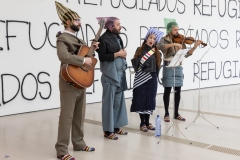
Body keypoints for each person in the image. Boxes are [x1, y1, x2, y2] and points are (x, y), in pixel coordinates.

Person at [54, 2, 99, 160]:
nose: (80, 22)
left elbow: (86, 57)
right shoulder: (62, 38)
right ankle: (61, 150)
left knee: (80, 114)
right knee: (66, 116)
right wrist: (82, 61)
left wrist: (92, 48)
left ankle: (79, 143)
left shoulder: (78, 39)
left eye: (80, 19)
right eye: (77, 20)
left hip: (80, 80)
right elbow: (63, 56)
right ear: (68, 22)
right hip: (68, 82)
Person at [157, 18, 202, 122]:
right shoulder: (164, 39)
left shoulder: (181, 40)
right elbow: (159, 46)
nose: (177, 32)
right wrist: (173, 44)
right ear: (169, 30)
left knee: (178, 90)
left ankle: (176, 113)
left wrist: (194, 47)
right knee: (167, 90)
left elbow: (186, 54)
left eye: (178, 29)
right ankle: (167, 113)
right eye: (175, 30)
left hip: (178, 67)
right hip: (168, 66)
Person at [96, 17, 128, 140]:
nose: (120, 26)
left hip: (119, 73)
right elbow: (103, 57)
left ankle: (115, 126)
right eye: (118, 24)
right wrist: (118, 54)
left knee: (118, 101)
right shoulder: (103, 39)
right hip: (110, 75)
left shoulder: (117, 36)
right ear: (111, 26)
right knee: (108, 102)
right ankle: (107, 130)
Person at [130, 28, 164, 132]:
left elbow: (158, 67)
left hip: (152, 78)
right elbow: (136, 64)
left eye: (154, 39)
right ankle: (142, 123)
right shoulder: (139, 50)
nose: (152, 40)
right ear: (146, 38)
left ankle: (148, 122)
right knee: (141, 99)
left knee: (150, 99)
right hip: (141, 78)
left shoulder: (158, 53)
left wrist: (155, 77)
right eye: (150, 37)